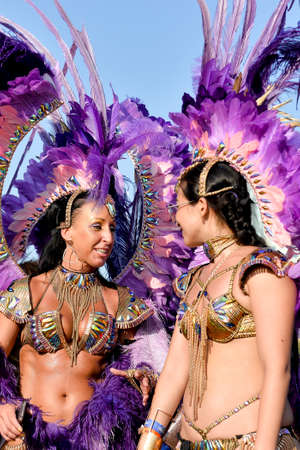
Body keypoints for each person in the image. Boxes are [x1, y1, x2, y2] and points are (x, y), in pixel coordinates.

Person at [137, 0, 300, 448]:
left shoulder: (263, 273)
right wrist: (150, 438)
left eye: (181, 205)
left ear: (205, 206)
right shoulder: (195, 281)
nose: (175, 215)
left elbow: (278, 370)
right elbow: (176, 368)